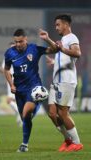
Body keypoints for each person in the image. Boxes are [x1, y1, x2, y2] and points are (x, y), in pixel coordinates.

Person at [4, 28, 56, 152]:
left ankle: (24, 144)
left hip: (33, 87)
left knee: (26, 112)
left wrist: (47, 39)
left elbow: (54, 49)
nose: (18, 44)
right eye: (16, 42)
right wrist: (11, 84)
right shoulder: (9, 53)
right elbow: (6, 69)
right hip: (19, 90)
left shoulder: (34, 49)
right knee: (24, 118)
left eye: (20, 41)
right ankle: (25, 144)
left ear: (25, 39)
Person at [39, 14, 83, 152]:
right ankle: (68, 140)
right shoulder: (64, 39)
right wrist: (48, 40)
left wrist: (62, 49)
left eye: (58, 24)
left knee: (63, 114)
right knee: (52, 113)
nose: (56, 27)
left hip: (66, 81)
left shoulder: (72, 37)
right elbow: (60, 51)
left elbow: (77, 53)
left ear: (65, 24)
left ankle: (77, 143)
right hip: (57, 81)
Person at [0, 42, 22, 127]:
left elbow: (5, 71)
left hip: (13, 80)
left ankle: (20, 114)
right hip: (18, 79)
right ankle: (20, 116)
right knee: (15, 100)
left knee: (9, 100)